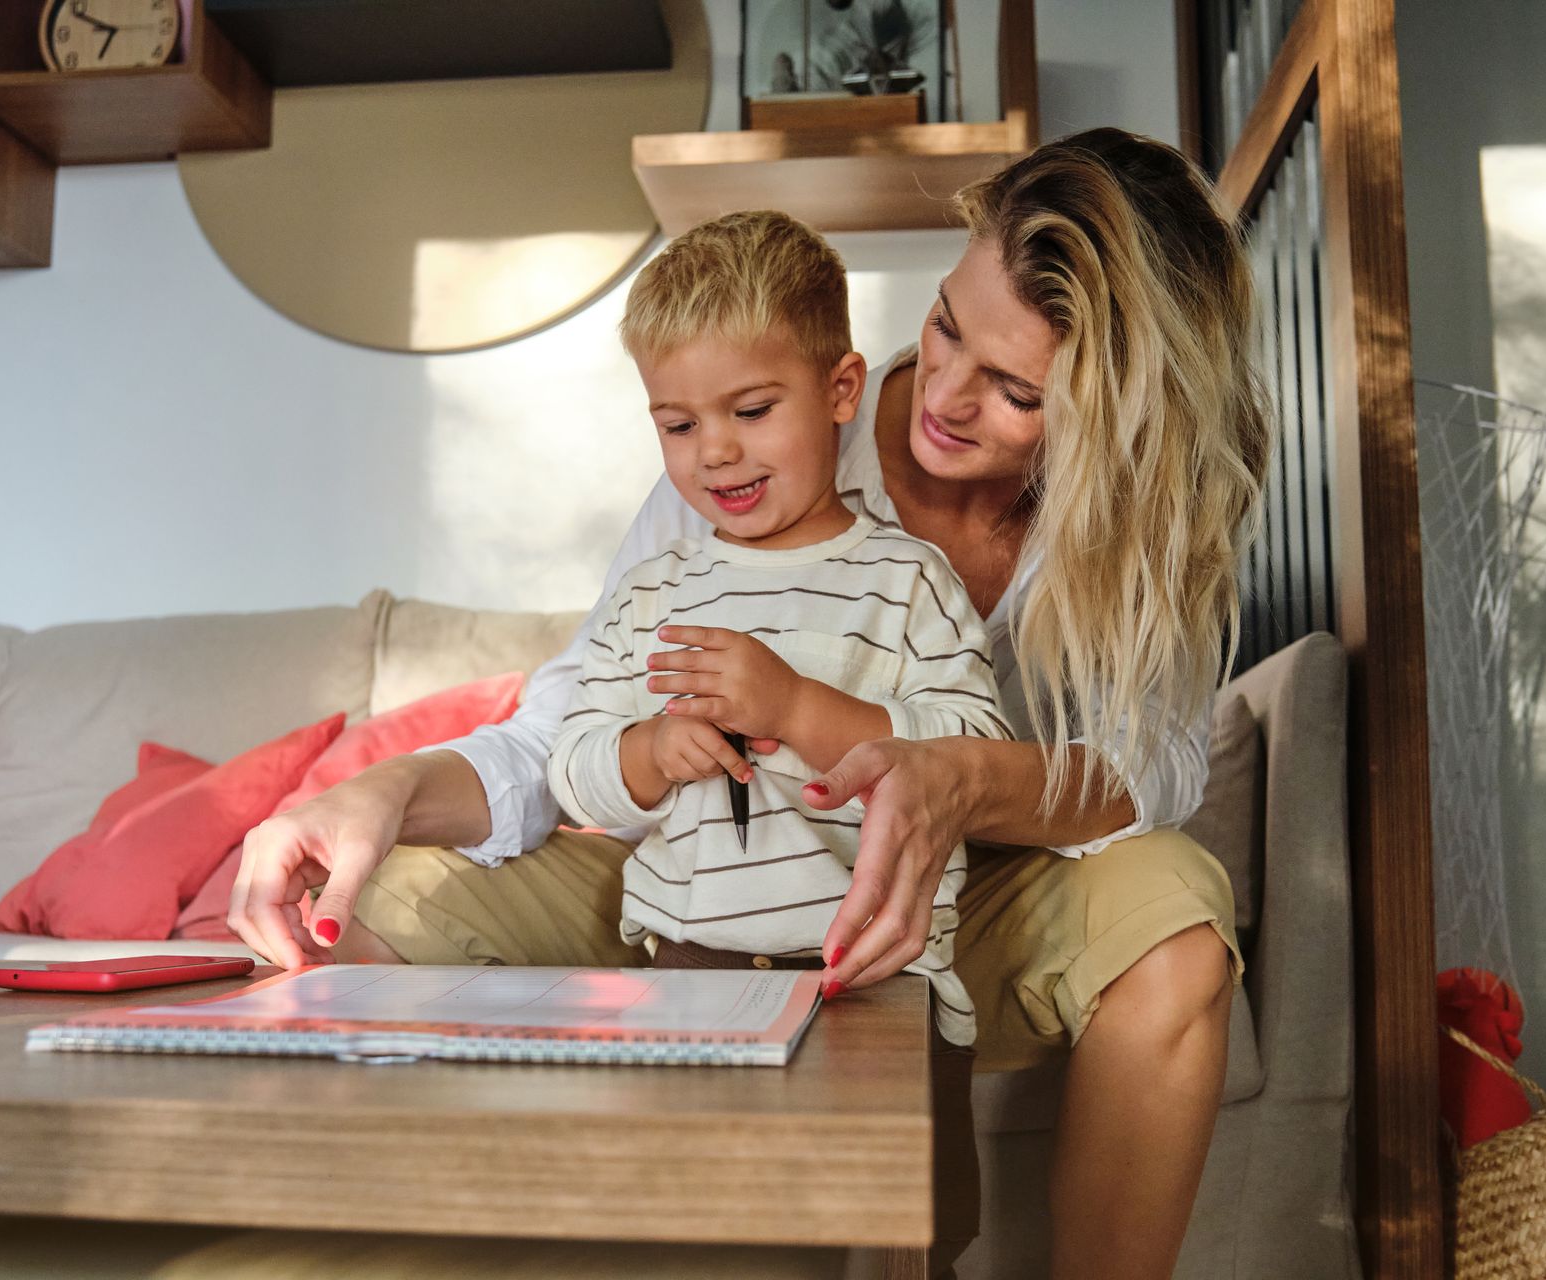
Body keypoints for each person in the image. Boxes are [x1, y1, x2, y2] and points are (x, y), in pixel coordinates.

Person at [232, 127, 1268, 1280]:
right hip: (702, 896)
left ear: (1121, 413)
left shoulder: (1138, 523)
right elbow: (566, 723)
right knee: (401, 887)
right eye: (944, 325)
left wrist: (956, 779)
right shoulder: (757, 447)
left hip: (942, 907)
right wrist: (381, 788)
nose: (948, 393)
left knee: (1177, 907)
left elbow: (1157, 765)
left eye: (1018, 389)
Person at [546, 210, 1005, 1269]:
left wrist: (799, 707)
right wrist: (650, 752)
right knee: (708, 1242)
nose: (715, 450)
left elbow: (968, 745)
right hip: (689, 971)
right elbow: (576, 759)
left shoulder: (908, 581)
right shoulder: (655, 590)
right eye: (676, 423)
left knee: (893, 1240)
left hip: (878, 979)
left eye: (751, 408)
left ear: (841, 392)